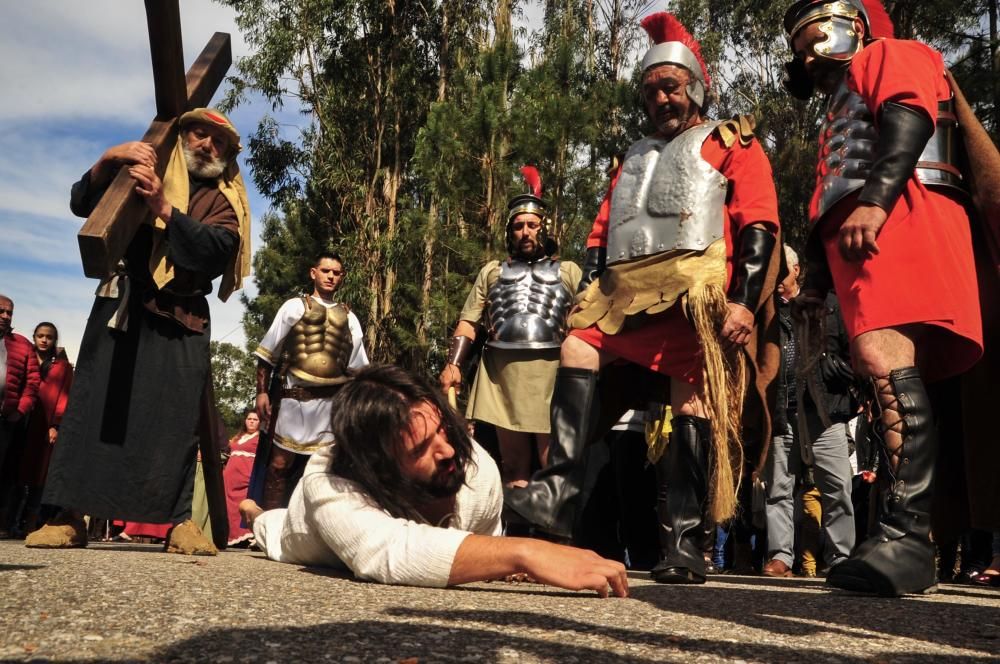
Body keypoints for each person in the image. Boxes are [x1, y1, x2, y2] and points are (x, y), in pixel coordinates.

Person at [503, 12, 782, 586]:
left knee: (691, 404)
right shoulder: (631, 158)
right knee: (579, 346)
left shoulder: (733, 142)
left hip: (695, 293)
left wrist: (745, 303)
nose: (661, 98)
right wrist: (591, 289)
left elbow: (759, 226)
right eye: (652, 89)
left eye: (671, 87)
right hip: (626, 295)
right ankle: (557, 490)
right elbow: (605, 236)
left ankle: (681, 541)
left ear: (696, 88)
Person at [782, 0, 985, 595]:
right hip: (863, 232)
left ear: (854, 26)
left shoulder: (889, 53)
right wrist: (816, 277)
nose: (807, 53)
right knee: (880, 371)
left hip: (902, 215)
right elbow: (829, 191)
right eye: (799, 45)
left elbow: (909, 116)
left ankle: (909, 537)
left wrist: (876, 199)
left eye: (815, 36)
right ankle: (897, 534)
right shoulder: (838, 98)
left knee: (882, 360)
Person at [27, 108, 252, 555]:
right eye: (199, 134)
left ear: (227, 156)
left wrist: (164, 210)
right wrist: (109, 158)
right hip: (123, 303)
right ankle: (68, 517)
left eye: (218, 143)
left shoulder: (224, 200)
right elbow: (82, 204)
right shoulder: (138, 173)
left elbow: (216, 250)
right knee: (92, 408)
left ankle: (177, 523)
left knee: (174, 421)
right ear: (181, 136)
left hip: (181, 315)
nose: (207, 145)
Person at [241, 364, 628, 597]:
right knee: (269, 526)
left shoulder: (476, 468)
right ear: (378, 468)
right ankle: (253, 508)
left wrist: (502, 558)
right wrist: (525, 551)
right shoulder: (328, 480)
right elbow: (386, 552)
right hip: (300, 532)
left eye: (443, 429)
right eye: (421, 449)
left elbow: (479, 543)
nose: (446, 451)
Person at [439, 167, 581, 487]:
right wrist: (453, 364)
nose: (525, 232)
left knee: (551, 463)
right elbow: (469, 321)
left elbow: (589, 321)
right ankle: (513, 531)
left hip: (553, 373)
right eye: (518, 226)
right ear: (509, 232)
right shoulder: (491, 272)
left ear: (544, 228)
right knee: (513, 464)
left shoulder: (570, 272)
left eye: (532, 225)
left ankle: (547, 533)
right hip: (501, 373)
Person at [761, 246, 856, 578]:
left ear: (797, 270)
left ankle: (841, 557)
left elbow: (855, 350)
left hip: (824, 410)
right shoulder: (765, 313)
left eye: (781, 272)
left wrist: (840, 369)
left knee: (837, 487)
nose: (775, 280)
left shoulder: (829, 304)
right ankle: (780, 557)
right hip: (780, 413)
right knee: (778, 490)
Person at [252, 252, 369, 509]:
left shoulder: (349, 317)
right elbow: (267, 352)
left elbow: (358, 368)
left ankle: (313, 530)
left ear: (342, 278)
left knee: (323, 473)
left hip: (330, 405)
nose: (330, 276)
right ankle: (272, 524)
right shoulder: (294, 306)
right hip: (294, 399)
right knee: (279, 466)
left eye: (336, 272)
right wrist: (261, 393)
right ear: (313, 273)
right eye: (325, 270)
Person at [15, 323, 74, 535]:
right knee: (15, 471)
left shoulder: (62, 366)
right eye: (40, 336)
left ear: (54, 340)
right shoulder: (26, 358)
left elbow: (64, 396)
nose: (44, 340)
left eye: (48, 337)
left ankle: (31, 522)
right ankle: (10, 519)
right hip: (21, 419)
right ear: (34, 337)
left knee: (38, 475)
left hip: (43, 424)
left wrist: (55, 425)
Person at [0, 295, 40, 533]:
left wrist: (20, 410)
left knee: (4, 471)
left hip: (5, 420)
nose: (5, 316)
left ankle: (3, 522)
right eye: (1, 311)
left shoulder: (22, 344)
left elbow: (32, 383)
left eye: (9, 313)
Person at [223, 408, 260, 546]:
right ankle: (230, 537)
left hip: (246, 478)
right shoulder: (238, 437)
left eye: (255, 419)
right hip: (229, 479)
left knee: (244, 506)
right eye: (249, 419)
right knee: (229, 508)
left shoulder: (260, 438)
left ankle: (247, 537)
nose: (251, 422)